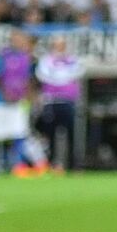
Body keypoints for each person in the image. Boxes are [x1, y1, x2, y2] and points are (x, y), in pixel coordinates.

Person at [0, 29, 34, 173]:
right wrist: (4, 93)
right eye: (16, 39)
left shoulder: (25, 58)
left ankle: (16, 165)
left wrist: (26, 96)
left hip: (17, 102)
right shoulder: (2, 56)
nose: (19, 42)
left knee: (19, 132)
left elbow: (26, 80)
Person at [35, 35, 83, 171]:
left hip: (68, 102)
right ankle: (52, 164)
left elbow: (74, 73)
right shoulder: (46, 60)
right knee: (50, 135)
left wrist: (57, 77)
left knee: (72, 134)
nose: (59, 47)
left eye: (61, 44)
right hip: (51, 102)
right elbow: (44, 75)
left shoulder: (72, 60)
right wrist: (62, 78)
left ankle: (74, 165)